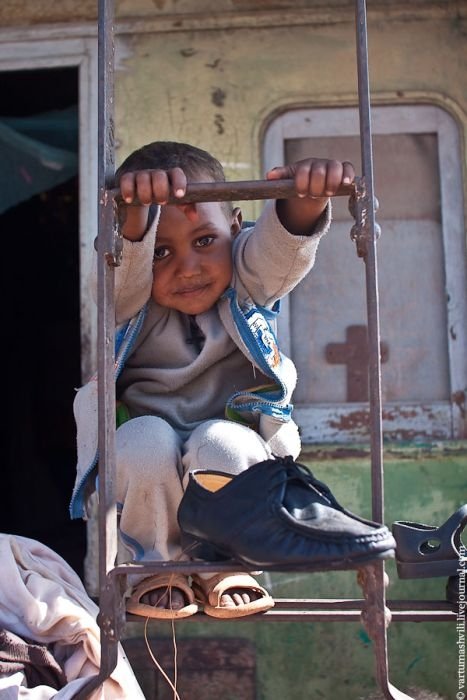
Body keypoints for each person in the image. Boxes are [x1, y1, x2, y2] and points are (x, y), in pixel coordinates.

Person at [70, 141, 355, 619]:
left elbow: (280, 249)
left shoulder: (247, 281)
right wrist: (135, 214)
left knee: (221, 441)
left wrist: (308, 194)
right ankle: (156, 569)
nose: (188, 267)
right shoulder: (132, 298)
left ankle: (226, 564)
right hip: (150, 456)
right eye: (161, 251)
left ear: (236, 229)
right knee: (143, 440)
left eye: (205, 241)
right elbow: (125, 268)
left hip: (230, 443)